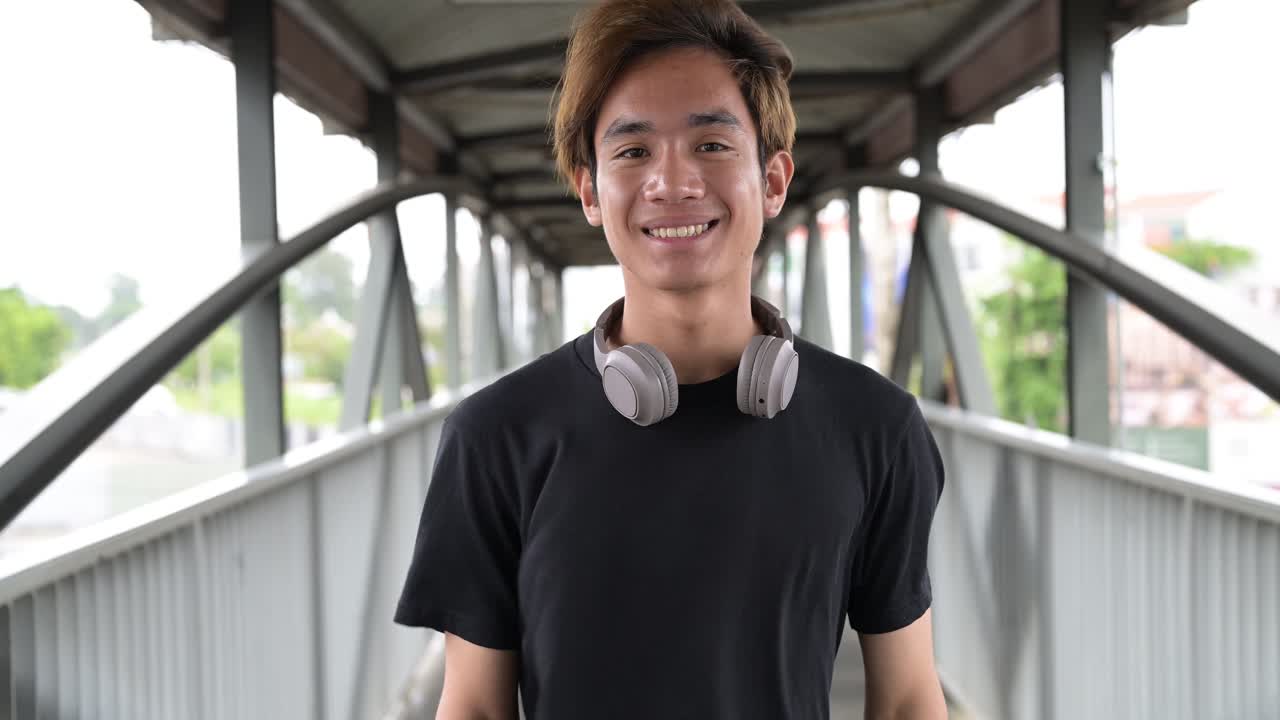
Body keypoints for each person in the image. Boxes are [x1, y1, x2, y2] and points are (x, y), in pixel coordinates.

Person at [393, 1, 948, 717]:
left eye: (712, 144)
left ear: (774, 181)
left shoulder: (874, 428)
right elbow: (473, 707)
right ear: (590, 191)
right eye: (632, 151)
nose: (673, 182)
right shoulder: (495, 437)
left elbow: (906, 700)